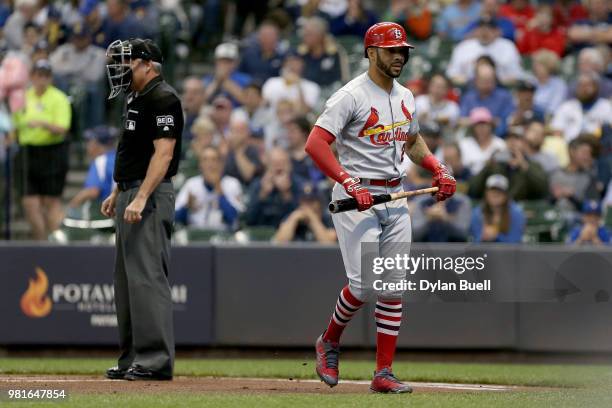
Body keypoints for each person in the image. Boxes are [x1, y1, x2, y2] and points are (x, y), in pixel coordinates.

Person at [305, 22, 456, 393]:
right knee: (364, 283)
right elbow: (316, 144)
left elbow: (412, 139)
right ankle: (329, 339)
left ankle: (383, 372)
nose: (399, 56)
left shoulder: (406, 95)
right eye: (391, 50)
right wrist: (347, 180)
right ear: (371, 52)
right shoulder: (350, 95)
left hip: (396, 195)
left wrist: (438, 167)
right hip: (357, 198)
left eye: (402, 50)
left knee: (391, 286)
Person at [101, 38, 183, 381]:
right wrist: (118, 190)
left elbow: (162, 155)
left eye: (128, 62)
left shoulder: (164, 97)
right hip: (130, 191)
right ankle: (132, 358)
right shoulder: (135, 98)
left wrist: (140, 197)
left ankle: (155, 361)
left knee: (147, 278)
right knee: (126, 281)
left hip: (148, 196)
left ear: (148, 64)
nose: (121, 69)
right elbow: (132, 151)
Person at [12, 59, 71, 240]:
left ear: (50, 78)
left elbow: (63, 128)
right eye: (38, 75)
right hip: (28, 153)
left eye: (46, 76)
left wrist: (42, 124)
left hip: (52, 152)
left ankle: (55, 242)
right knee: (29, 202)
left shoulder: (59, 98)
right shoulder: (23, 97)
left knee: (50, 201)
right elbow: (16, 123)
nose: (42, 80)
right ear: (32, 77)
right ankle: (41, 243)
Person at [49, 22, 107, 128]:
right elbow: (53, 68)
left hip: (87, 91)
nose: (78, 41)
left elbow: (94, 76)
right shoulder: (64, 50)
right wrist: (78, 69)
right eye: (76, 38)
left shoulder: (98, 54)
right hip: (66, 89)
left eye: (82, 38)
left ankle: (91, 130)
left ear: (89, 38)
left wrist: (68, 69)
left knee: (91, 90)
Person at [175, 146, 243, 231]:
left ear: (220, 164)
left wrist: (219, 190)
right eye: (205, 160)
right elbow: (175, 218)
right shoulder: (191, 184)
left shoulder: (232, 184)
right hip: (195, 237)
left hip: (224, 237)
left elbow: (235, 220)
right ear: (200, 165)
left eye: (213, 159)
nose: (209, 164)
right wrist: (186, 207)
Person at [467, 130, 549, 200]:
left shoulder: (532, 165)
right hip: (497, 208)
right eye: (509, 139)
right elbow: (473, 189)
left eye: (517, 139)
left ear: (524, 144)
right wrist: (488, 166)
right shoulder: (496, 165)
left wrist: (524, 166)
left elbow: (543, 189)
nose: (512, 142)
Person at [446, 16, 524, 86]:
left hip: (501, 89)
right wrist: (471, 82)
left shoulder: (508, 46)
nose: (485, 31)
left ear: (497, 31)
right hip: (469, 89)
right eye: (482, 28)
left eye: (489, 28)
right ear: (476, 30)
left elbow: (517, 76)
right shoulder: (463, 47)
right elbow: (452, 74)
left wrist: (495, 83)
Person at [245, 147, 303, 227]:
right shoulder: (257, 185)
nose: (279, 167)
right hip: (262, 233)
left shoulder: (298, 184)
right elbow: (249, 220)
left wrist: (286, 194)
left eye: (282, 163)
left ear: (290, 165)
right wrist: (263, 195)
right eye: (275, 163)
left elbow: (302, 220)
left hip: (292, 235)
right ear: (267, 166)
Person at [550, 73, 612, 142]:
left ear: (596, 87)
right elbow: (557, 131)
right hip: (568, 146)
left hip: (597, 147)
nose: (583, 89)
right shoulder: (567, 106)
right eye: (580, 85)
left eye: (587, 85)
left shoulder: (606, 107)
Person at [459, 64, 515, 137]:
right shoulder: (468, 97)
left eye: (490, 80)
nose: (487, 83)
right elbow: (462, 120)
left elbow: (508, 120)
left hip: (499, 137)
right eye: (484, 80)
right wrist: (483, 121)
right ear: (476, 80)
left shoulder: (504, 96)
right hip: (472, 138)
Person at [68, 126, 117, 209]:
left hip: (108, 213)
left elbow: (93, 191)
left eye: (89, 142)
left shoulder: (100, 161)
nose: (87, 145)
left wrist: (72, 207)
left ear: (96, 144)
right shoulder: (117, 157)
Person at [470, 174, 525, 243]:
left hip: (508, 253)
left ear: (506, 195)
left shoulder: (516, 213)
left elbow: (515, 241)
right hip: (484, 252)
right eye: (492, 190)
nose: (495, 194)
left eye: (500, 191)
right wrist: (484, 237)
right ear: (486, 193)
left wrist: (496, 236)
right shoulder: (477, 213)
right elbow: (476, 242)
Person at [550, 136, 598, 213]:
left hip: (578, 220)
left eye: (589, 154)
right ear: (572, 152)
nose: (588, 157)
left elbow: (593, 206)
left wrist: (571, 197)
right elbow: (544, 202)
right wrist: (555, 196)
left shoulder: (589, 178)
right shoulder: (554, 174)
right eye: (584, 153)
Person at [297, 16, 348, 87]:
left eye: (309, 34)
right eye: (304, 34)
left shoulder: (334, 53)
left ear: (320, 35)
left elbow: (342, 79)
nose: (305, 37)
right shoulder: (301, 54)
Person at [459, 107, 507, 175]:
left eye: (484, 124)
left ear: (490, 125)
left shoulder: (500, 143)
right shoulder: (464, 144)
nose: (481, 128)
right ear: (473, 127)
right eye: (478, 124)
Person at [203, 42, 251, 107]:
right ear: (216, 62)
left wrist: (225, 80)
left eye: (229, 61)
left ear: (236, 63)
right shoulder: (208, 78)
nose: (225, 64)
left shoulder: (245, 79)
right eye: (222, 60)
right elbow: (200, 101)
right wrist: (216, 82)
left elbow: (248, 102)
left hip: (236, 113)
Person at [414, 73, 460, 138]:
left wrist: (445, 122)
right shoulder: (419, 101)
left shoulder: (453, 107)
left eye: (441, 87)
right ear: (429, 86)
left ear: (447, 89)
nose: (437, 90)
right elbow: (410, 126)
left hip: (442, 140)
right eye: (434, 85)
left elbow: (453, 130)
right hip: (421, 138)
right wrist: (419, 118)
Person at [531, 49, 568, 116]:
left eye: (540, 65)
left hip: (547, 119)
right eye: (535, 64)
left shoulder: (559, 85)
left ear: (549, 66)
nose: (536, 67)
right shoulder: (531, 82)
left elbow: (553, 109)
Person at [180, 77, 206, 143]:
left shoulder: (211, 118)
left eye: (194, 93)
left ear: (203, 96)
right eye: (186, 92)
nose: (189, 97)